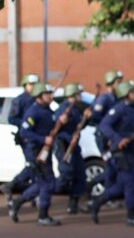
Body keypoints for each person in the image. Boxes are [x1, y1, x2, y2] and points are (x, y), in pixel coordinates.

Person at [93, 80, 134, 227]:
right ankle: (132, 215)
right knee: (131, 183)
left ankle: (98, 202)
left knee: (121, 186)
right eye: (133, 92)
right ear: (125, 95)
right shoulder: (119, 109)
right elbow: (104, 125)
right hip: (121, 153)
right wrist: (118, 139)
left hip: (133, 152)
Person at [9, 82, 62, 226]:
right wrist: (43, 139)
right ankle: (42, 215)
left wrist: (59, 123)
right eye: (47, 94)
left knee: (42, 183)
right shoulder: (34, 112)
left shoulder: (48, 110)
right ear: (39, 96)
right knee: (48, 182)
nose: (50, 96)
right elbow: (25, 132)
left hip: (45, 151)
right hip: (36, 151)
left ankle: (18, 202)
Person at [2, 73, 42, 200]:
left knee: (38, 167)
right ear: (25, 85)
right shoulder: (19, 100)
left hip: (38, 137)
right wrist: (27, 124)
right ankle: (11, 185)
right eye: (31, 85)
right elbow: (12, 118)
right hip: (26, 138)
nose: (33, 87)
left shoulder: (38, 100)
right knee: (32, 165)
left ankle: (34, 195)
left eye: (35, 85)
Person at [55, 83, 89, 215]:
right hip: (64, 145)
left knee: (80, 173)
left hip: (74, 145)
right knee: (66, 173)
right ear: (73, 95)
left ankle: (73, 204)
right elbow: (56, 128)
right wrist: (60, 122)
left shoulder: (76, 108)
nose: (80, 97)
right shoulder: (63, 109)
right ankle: (43, 192)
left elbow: (79, 126)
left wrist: (86, 119)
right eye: (78, 94)